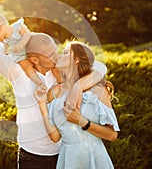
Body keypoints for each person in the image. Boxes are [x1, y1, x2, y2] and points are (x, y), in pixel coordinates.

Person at [0, 32, 117, 169]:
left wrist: (78, 86)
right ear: (35, 58)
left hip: (63, 153)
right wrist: (19, 43)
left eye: (57, 51)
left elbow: (98, 66)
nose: (56, 56)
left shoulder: (59, 74)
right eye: (51, 53)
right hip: (32, 156)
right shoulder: (18, 72)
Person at [37, 41, 120, 169]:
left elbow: (112, 135)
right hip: (68, 159)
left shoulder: (97, 89)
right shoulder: (53, 92)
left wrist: (83, 122)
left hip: (95, 158)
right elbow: (55, 137)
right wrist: (42, 104)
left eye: (65, 52)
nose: (60, 55)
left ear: (76, 60)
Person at [0, 12, 61, 91]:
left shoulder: (17, 27)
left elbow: (27, 34)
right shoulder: (5, 41)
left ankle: (60, 80)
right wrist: (7, 52)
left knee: (52, 63)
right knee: (27, 67)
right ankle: (40, 83)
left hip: (31, 47)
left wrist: (21, 44)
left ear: (0, 27)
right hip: (21, 55)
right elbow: (6, 49)